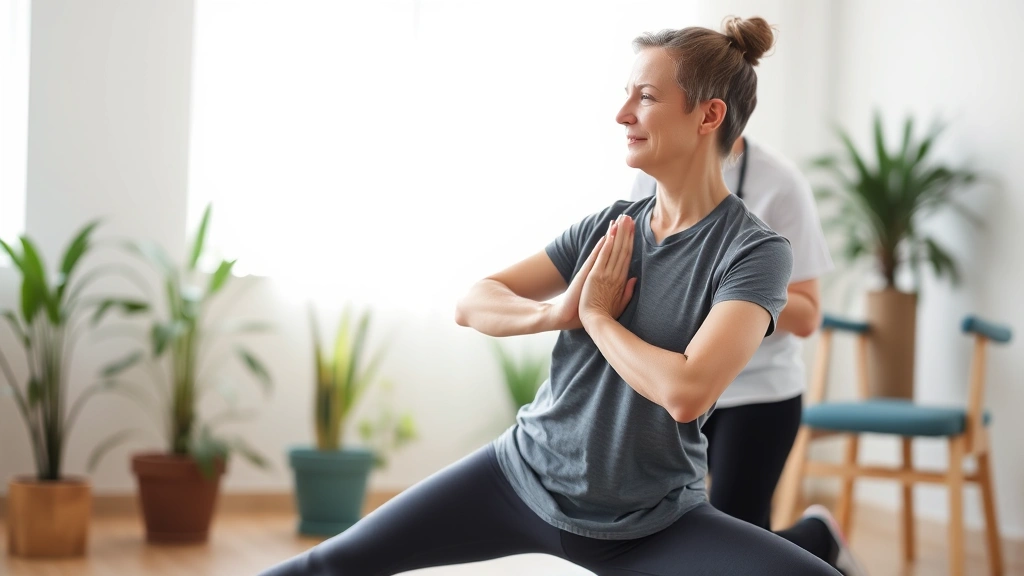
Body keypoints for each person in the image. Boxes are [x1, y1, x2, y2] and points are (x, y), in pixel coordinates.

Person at [260, 17, 840, 576]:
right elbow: (474, 300)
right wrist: (552, 313)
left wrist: (595, 317)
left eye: (645, 97)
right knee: (331, 563)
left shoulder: (754, 252)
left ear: (708, 114)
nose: (622, 114)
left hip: (652, 521)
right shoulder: (610, 227)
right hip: (520, 478)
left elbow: (687, 392)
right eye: (626, 95)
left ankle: (818, 537)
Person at [630, 137, 867, 575]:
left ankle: (818, 538)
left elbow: (809, 313)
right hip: (676, 388)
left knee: (736, 556)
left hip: (758, 393)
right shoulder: (650, 173)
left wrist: (738, 289)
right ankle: (817, 537)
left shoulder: (780, 184)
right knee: (665, 536)